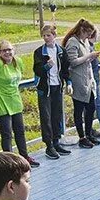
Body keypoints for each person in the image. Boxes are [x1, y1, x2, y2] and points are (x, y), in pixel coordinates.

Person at [0, 39, 39, 168]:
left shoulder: (18, 62)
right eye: (4, 50)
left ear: (13, 50)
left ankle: (24, 157)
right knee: (7, 134)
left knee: (20, 131)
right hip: (1, 102)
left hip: (15, 101)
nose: (7, 52)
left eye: (9, 49)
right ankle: (9, 162)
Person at [32, 25, 72, 160]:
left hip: (57, 87)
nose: (46, 38)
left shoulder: (61, 51)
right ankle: (49, 145)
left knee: (57, 115)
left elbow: (66, 69)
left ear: (54, 35)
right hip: (45, 89)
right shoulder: (39, 52)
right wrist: (46, 67)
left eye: (48, 35)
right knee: (46, 117)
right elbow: (37, 70)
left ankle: (56, 141)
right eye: (44, 36)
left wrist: (69, 82)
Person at [64, 19, 100, 148]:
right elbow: (73, 61)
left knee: (91, 108)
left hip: (88, 79)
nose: (89, 36)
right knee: (79, 110)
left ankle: (89, 133)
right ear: (82, 30)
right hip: (78, 80)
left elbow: (85, 60)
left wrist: (92, 57)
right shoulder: (72, 42)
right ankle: (82, 137)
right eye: (88, 33)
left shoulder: (85, 42)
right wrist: (88, 56)